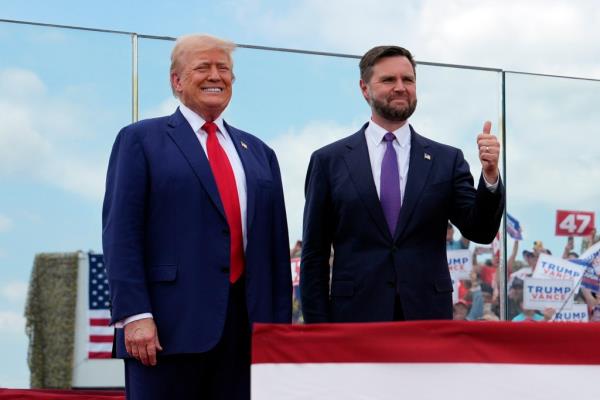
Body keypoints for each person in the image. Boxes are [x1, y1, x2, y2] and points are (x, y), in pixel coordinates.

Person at [102, 34, 291, 400]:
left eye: (224, 68)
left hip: (248, 333)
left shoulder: (260, 153)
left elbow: (274, 250)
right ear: (177, 80)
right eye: (203, 67)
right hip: (166, 331)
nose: (215, 75)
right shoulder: (140, 140)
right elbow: (120, 233)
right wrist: (134, 314)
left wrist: (278, 329)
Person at [300, 45, 504, 322]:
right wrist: (316, 331)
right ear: (364, 88)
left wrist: (490, 175)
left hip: (427, 319)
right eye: (388, 80)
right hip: (354, 320)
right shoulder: (328, 161)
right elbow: (315, 255)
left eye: (408, 80)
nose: (400, 87)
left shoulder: (446, 160)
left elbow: (479, 230)